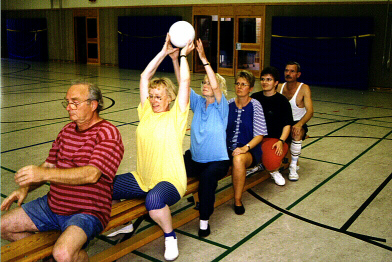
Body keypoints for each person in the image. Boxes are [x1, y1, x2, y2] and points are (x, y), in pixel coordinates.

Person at [0, 81, 125, 262]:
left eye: (75, 103)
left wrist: (43, 174)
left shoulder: (108, 133)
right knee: (3, 226)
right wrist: (25, 188)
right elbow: (49, 165)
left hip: (88, 211)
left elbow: (92, 174)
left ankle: (71, 257)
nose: (68, 108)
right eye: (67, 102)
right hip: (52, 205)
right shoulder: (66, 131)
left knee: (64, 253)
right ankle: (51, 257)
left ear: (93, 105)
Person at [110, 35, 194, 261]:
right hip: (142, 178)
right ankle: (125, 225)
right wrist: (164, 51)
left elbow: (185, 82)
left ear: (170, 98)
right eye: (152, 96)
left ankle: (170, 236)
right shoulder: (146, 112)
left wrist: (183, 54)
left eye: (159, 96)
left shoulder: (177, 116)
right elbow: (144, 76)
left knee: (153, 201)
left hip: (170, 180)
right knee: (106, 187)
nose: (154, 100)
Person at [183, 39, 231, 237]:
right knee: (171, 165)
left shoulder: (222, 106)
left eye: (209, 82)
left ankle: (204, 220)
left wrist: (203, 58)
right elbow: (183, 82)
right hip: (196, 158)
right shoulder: (197, 102)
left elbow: (217, 87)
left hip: (217, 161)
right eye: (203, 82)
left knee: (208, 178)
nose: (205, 85)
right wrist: (180, 57)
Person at [226, 70, 268, 215]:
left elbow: (260, 135)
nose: (239, 87)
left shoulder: (255, 105)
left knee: (238, 159)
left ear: (250, 88)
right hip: (228, 148)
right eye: (237, 83)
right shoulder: (229, 104)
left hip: (249, 150)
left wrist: (245, 148)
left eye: (244, 84)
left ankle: (237, 200)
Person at [251, 67, 294, 186]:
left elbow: (287, 125)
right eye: (263, 79)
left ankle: (274, 171)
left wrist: (281, 141)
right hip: (256, 137)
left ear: (275, 83)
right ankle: (258, 164)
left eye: (269, 79)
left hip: (274, 139)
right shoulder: (255, 97)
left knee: (271, 161)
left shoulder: (282, 101)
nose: (265, 82)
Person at [277, 61, 314, 181]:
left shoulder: (304, 88)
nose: (288, 73)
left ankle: (293, 165)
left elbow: (310, 112)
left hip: (297, 122)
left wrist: (300, 124)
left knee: (296, 132)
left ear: (298, 74)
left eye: (292, 71)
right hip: (282, 123)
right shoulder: (279, 87)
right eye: (286, 70)